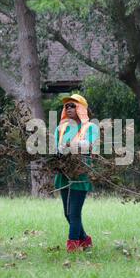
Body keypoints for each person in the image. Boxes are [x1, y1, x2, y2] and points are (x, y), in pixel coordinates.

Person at [54, 94, 99, 252]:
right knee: (67, 213)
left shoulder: (91, 127)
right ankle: (85, 240)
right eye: (66, 106)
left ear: (81, 108)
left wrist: (72, 146)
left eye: (73, 105)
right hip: (63, 174)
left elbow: (89, 146)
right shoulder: (60, 128)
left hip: (80, 174)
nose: (69, 108)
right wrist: (58, 151)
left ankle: (72, 245)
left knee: (74, 213)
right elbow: (55, 149)